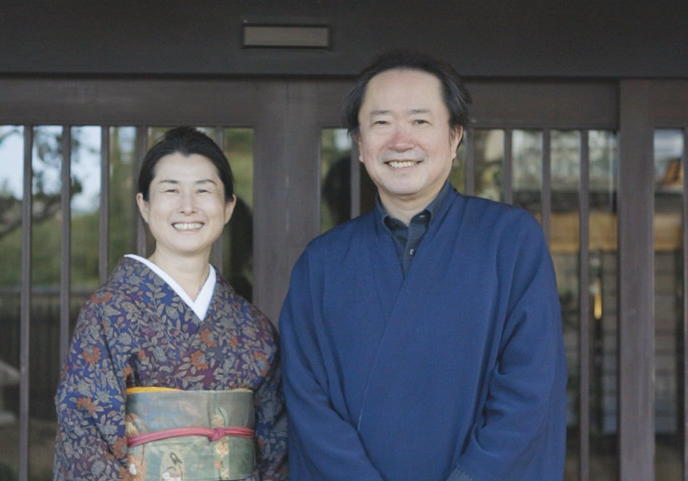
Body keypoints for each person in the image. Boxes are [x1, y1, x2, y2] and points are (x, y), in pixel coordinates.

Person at [279, 51, 567, 481]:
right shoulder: (320, 264)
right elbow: (306, 402)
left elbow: (531, 389)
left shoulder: (509, 241)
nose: (400, 140)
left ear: (454, 137)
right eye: (380, 123)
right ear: (359, 144)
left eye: (419, 121)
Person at [54, 127, 287, 481]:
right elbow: (84, 437)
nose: (188, 206)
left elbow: (276, 449)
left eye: (204, 190)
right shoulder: (109, 313)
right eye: (171, 190)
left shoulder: (253, 327)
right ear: (144, 205)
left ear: (228, 207)